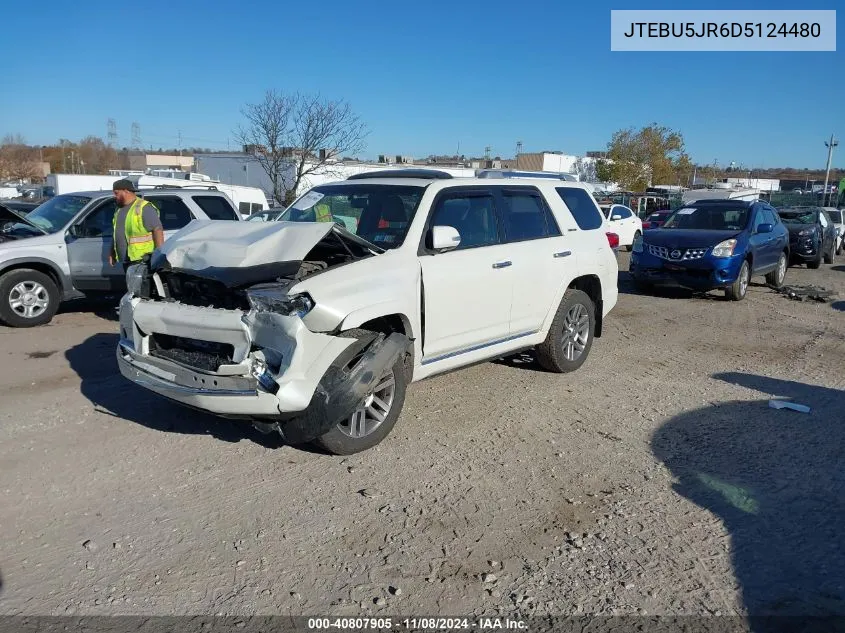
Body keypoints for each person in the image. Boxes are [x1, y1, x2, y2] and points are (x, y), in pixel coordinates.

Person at [109, 179, 164, 271]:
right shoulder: (118, 209)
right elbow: (116, 232)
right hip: (127, 260)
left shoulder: (144, 207)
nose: (115, 196)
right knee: (132, 285)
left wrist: (159, 256)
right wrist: (112, 253)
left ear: (126, 191)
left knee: (139, 285)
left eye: (116, 193)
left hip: (142, 260)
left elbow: (157, 230)